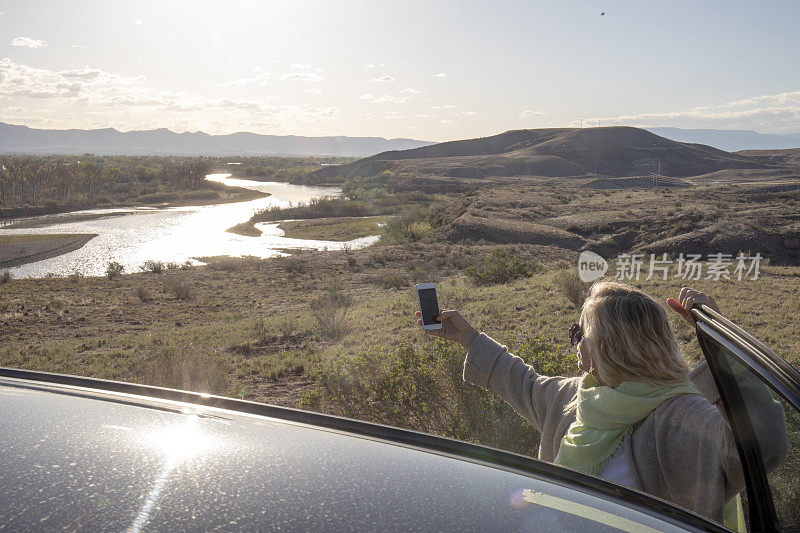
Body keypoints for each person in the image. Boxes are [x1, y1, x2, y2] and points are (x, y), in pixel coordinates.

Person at [416, 281, 787, 528]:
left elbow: (765, 447)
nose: (574, 343)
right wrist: (468, 338)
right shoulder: (580, 396)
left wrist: (721, 344)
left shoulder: (683, 417)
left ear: (608, 346)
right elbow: (525, 385)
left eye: (579, 333)